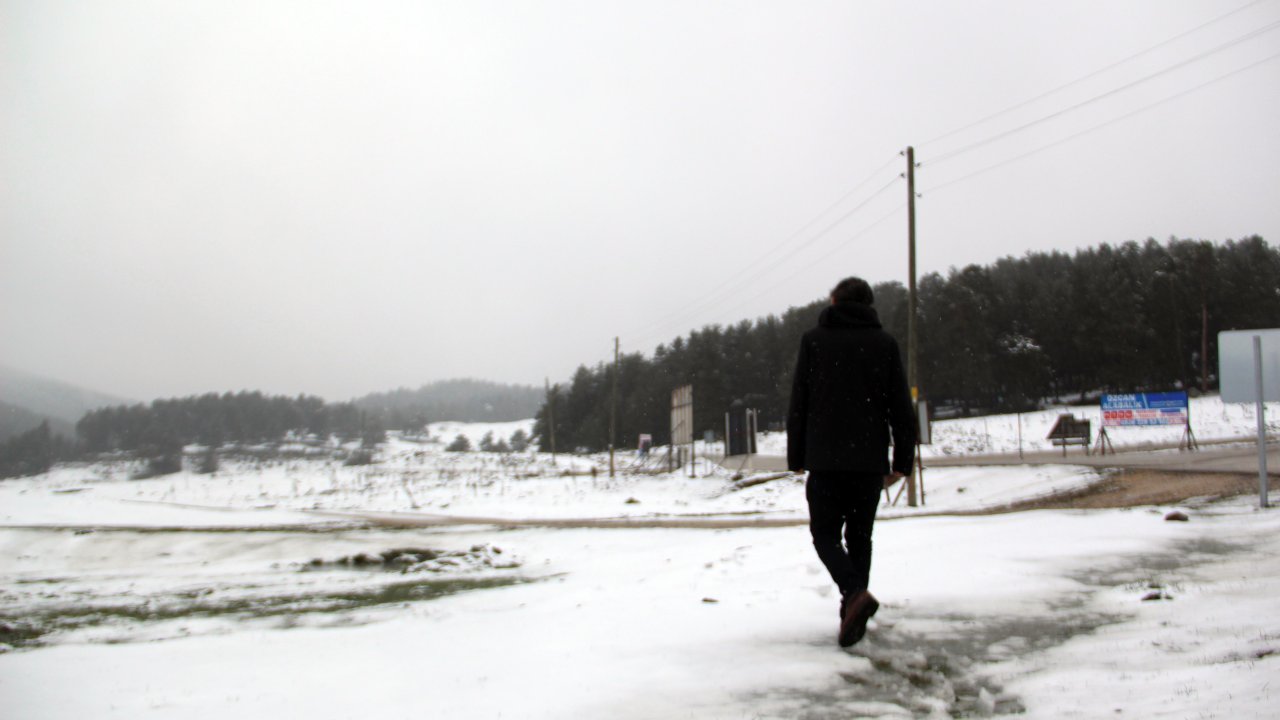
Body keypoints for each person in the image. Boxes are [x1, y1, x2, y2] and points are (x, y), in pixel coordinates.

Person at [787, 276, 916, 648]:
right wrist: (902, 460)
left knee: (824, 535)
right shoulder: (884, 344)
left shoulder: (813, 341)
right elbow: (900, 408)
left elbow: (800, 403)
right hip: (867, 462)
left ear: (835, 302)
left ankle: (853, 595)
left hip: (825, 461)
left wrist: (796, 456)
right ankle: (852, 609)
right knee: (860, 537)